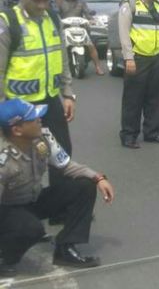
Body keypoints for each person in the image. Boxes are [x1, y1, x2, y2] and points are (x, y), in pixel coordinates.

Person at [0, 98, 115, 276]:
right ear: (17, 130)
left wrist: (98, 177)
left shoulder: (41, 140)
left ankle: (65, 249)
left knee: (84, 186)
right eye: (34, 119)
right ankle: (5, 257)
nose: (40, 120)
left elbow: (66, 166)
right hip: (6, 209)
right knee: (31, 229)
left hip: (31, 199)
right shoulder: (3, 157)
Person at [0, 0, 77, 189]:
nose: (42, 5)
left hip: (50, 100)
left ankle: (59, 204)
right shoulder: (7, 22)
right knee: (15, 157)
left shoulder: (52, 18)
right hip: (18, 106)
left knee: (61, 152)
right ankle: (17, 210)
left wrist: (68, 93)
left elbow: (62, 58)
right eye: (36, 0)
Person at [117, 0, 159, 148]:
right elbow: (124, 34)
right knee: (133, 99)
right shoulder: (130, 5)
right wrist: (128, 58)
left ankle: (151, 132)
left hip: (155, 58)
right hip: (137, 58)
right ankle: (129, 135)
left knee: (155, 99)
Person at [58, 0, 105, 75]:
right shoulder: (60, 2)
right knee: (57, 47)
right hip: (64, 28)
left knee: (91, 45)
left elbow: (87, 13)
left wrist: (92, 20)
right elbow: (56, 13)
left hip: (79, 28)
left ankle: (98, 67)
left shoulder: (81, 2)